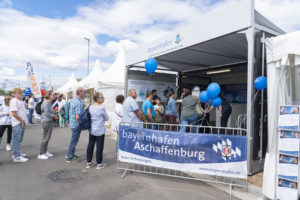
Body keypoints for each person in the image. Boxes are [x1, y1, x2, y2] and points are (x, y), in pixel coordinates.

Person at [86, 92, 109, 169]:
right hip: (100, 129)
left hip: (92, 129)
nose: (103, 98)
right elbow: (106, 118)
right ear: (98, 99)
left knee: (90, 145)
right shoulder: (101, 108)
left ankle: (89, 162)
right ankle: (99, 163)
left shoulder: (90, 107)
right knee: (99, 146)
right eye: (102, 97)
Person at [66, 87, 85, 162]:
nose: (85, 94)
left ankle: (71, 154)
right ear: (80, 93)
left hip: (72, 122)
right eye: (84, 92)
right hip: (76, 124)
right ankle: (70, 156)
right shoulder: (78, 102)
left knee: (73, 140)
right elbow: (78, 116)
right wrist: (82, 124)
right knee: (74, 141)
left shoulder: (74, 100)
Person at [38, 91, 58, 160]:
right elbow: (46, 113)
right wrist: (54, 116)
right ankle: (41, 153)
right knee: (45, 138)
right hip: (46, 121)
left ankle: (45, 151)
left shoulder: (49, 103)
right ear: (49, 96)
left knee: (47, 137)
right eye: (52, 95)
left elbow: (51, 111)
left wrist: (54, 112)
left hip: (48, 121)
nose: (54, 96)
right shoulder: (46, 103)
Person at [10, 88, 29, 162]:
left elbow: (25, 108)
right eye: (19, 93)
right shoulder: (14, 101)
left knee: (19, 139)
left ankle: (17, 153)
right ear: (14, 94)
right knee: (17, 139)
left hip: (21, 122)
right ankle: (17, 156)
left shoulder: (20, 101)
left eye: (21, 93)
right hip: (17, 123)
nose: (21, 94)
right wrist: (21, 120)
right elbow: (14, 113)